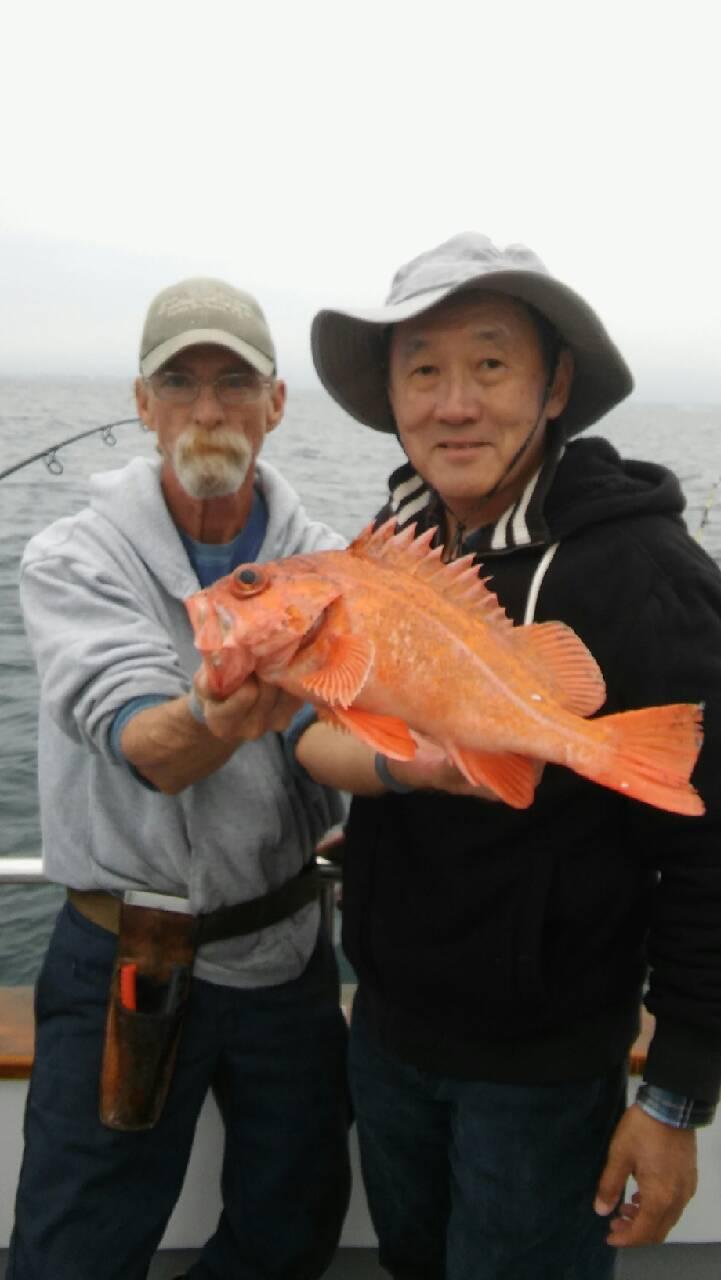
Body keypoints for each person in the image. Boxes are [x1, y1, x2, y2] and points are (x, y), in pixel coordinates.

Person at [290, 233, 721, 1278]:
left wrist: (672, 1095)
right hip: (387, 1031)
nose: (454, 404)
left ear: (554, 384)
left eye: (489, 363)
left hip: (543, 1072)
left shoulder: (644, 571)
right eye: (422, 370)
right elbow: (372, 737)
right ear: (390, 395)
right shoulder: (393, 544)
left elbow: (710, 849)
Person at [11, 277, 351, 1280]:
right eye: (179, 382)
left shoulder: (330, 564)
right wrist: (214, 710)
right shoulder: (74, 555)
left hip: (285, 953)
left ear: (275, 403)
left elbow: (342, 734)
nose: (208, 409)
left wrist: (439, 765)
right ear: (142, 402)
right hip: (127, 954)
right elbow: (143, 743)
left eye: (234, 382)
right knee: (75, 1249)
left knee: (291, 1228)